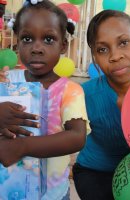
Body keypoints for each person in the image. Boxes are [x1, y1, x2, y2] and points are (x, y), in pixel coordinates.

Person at [0, 0, 90, 199]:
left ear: (63, 45)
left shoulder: (70, 90)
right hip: (10, 189)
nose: (37, 48)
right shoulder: (7, 81)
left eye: (48, 39)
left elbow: (77, 137)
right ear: (17, 41)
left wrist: (21, 147)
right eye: (27, 39)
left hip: (53, 194)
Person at [73, 10, 130, 200]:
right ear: (94, 57)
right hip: (94, 172)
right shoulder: (83, 94)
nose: (115, 56)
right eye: (102, 49)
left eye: (123, 43)